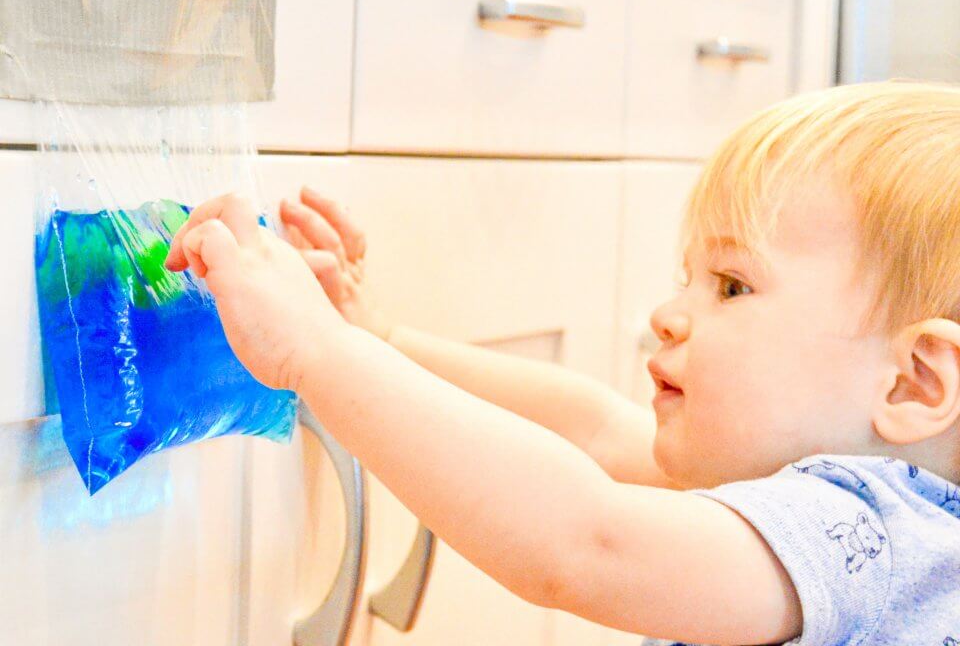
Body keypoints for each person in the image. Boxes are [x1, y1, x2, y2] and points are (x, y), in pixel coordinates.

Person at [166, 81, 960, 645]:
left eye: (731, 285)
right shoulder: (829, 499)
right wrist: (378, 341)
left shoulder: (866, 531)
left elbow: (583, 544)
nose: (669, 313)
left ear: (914, 381)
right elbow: (594, 430)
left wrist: (316, 354)